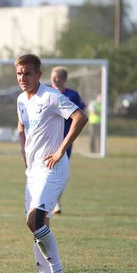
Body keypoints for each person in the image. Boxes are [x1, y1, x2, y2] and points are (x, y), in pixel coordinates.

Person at [14, 54, 87, 273]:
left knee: (34, 220)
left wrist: (60, 149)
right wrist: (24, 151)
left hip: (53, 168)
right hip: (33, 171)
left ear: (39, 75)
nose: (22, 78)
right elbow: (22, 127)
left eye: (27, 73)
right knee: (39, 226)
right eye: (19, 73)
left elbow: (80, 117)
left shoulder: (52, 96)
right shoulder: (21, 99)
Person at [50, 66, 86, 214]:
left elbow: (80, 113)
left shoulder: (72, 95)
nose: (54, 80)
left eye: (57, 77)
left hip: (65, 140)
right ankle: (50, 201)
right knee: (47, 170)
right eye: (52, 77)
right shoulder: (47, 93)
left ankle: (56, 200)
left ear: (63, 79)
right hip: (48, 139)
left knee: (60, 172)